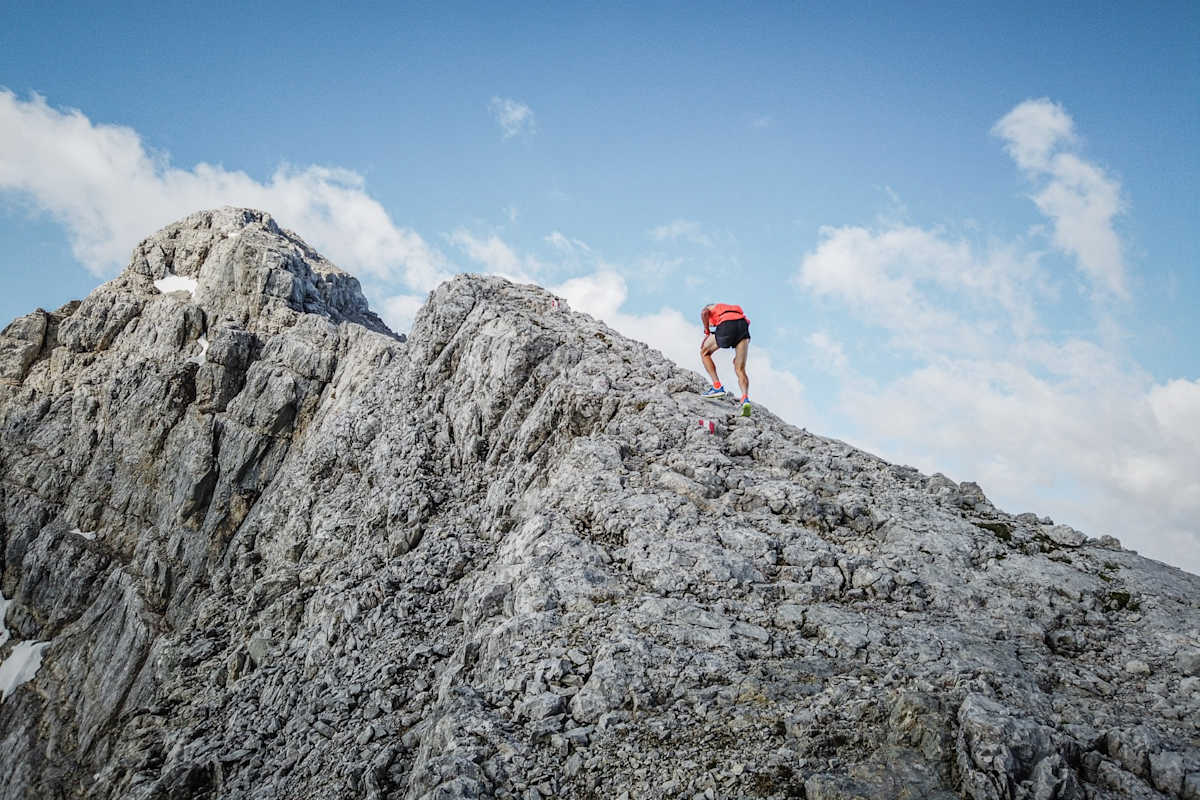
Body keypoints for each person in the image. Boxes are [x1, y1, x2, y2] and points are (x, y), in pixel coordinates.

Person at [699, 303, 751, 416]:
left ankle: (717, 386)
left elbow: (704, 313)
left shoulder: (711, 308)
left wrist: (707, 330)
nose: (713, 325)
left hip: (727, 325)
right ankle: (745, 399)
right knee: (740, 368)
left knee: (704, 352)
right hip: (743, 328)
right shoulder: (735, 309)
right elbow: (747, 323)